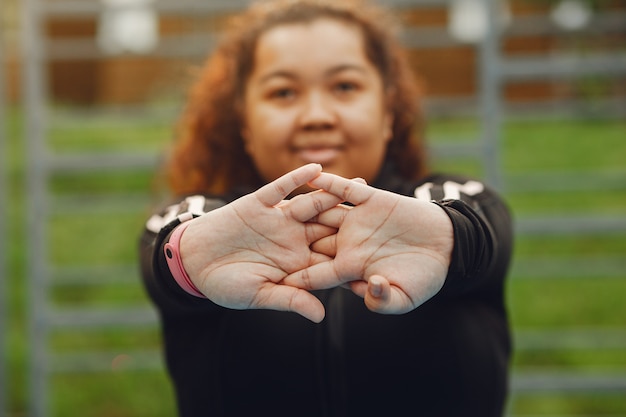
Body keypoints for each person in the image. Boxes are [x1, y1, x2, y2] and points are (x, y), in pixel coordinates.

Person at [139, 0, 513, 416]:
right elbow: (168, 242)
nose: (316, 116)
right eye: (283, 92)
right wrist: (189, 258)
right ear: (245, 122)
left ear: (388, 112)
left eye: (345, 87)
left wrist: (450, 237)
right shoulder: (204, 217)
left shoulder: (445, 197)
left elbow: (480, 220)